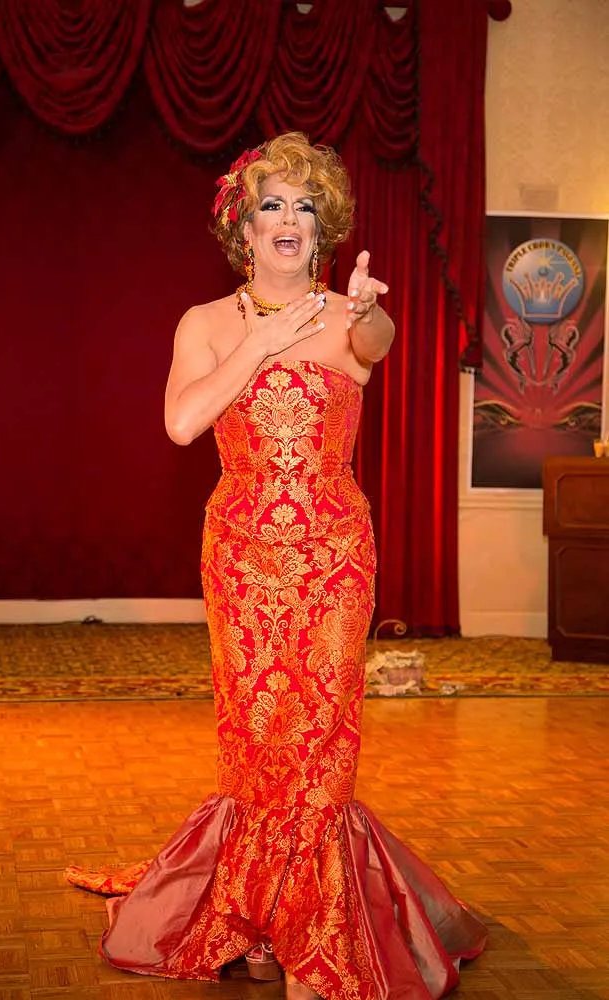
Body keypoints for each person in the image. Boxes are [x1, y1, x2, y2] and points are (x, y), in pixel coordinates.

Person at [66, 132, 486, 1000]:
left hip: (333, 554)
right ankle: (255, 913)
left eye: (304, 205)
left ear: (320, 228)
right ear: (245, 228)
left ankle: (313, 930)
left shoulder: (346, 317)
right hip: (241, 556)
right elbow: (182, 424)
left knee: (322, 737)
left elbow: (379, 339)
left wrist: (363, 309)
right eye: (272, 204)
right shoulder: (203, 324)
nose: (288, 217)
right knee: (256, 742)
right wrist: (257, 344)